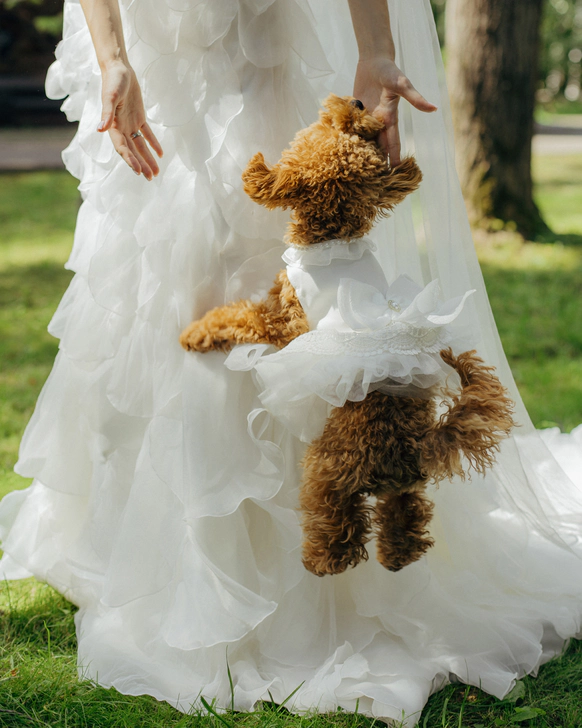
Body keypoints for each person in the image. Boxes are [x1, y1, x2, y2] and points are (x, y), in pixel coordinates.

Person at [1, 0, 581, 725]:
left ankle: (299, 577)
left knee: (246, 252)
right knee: (155, 272)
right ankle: (148, 545)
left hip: (256, 40)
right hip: (153, 44)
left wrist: (376, 47)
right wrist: (113, 57)